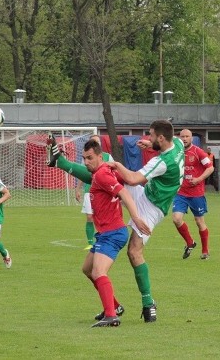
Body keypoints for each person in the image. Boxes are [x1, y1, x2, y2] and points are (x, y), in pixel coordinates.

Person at [47, 120, 183, 323]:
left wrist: (118, 165)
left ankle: (148, 303)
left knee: (134, 252)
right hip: (146, 193)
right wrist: (149, 144)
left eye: (151, 136)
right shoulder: (178, 144)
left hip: (153, 206)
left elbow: (134, 178)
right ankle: (60, 162)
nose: (148, 138)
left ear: (162, 138)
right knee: (103, 174)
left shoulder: (163, 161)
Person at [80, 139, 150, 327]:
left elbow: (124, 194)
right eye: (84, 158)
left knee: (98, 271)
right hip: (104, 233)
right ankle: (114, 306)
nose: (86, 162)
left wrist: (135, 217)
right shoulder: (100, 173)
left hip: (113, 233)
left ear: (100, 156)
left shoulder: (102, 175)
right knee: (87, 269)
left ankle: (111, 316)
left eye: (90, 158)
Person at [171, 129, 214, 260]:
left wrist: (199, 179)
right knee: (176, 219)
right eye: (182, 136)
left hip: (196, 194)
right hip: (181, 193)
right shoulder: (176, 152)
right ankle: (190, 242)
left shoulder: (198, 152)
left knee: (199, 221)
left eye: (187, 136)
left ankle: (205, 250)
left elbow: (210, 168)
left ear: (191, 138)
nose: (184, 139)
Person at [75, 135, 114, 251]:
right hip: (89, 191)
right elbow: (83, 174)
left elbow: (114, 171)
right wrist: (78, 189)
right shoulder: (88, 157)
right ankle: (90, 242)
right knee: (90, 217)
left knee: (102, 217)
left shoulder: (107, 156)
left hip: (104, 192)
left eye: (97, 141)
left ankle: (104, 239)